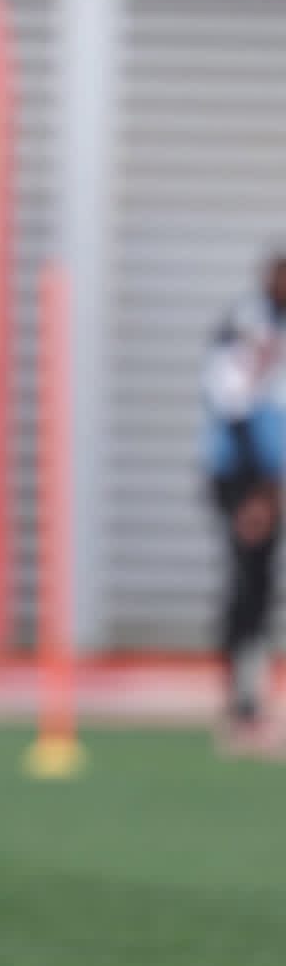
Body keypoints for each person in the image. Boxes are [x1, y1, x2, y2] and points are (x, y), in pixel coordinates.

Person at [201, 253, 286, 755]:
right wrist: (255, 490)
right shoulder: (246, 327)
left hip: (270, 480)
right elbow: (232, 405)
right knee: (248, 584)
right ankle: (241, 703)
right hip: (243, 478)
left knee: (262, 584)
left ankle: (252, 697)